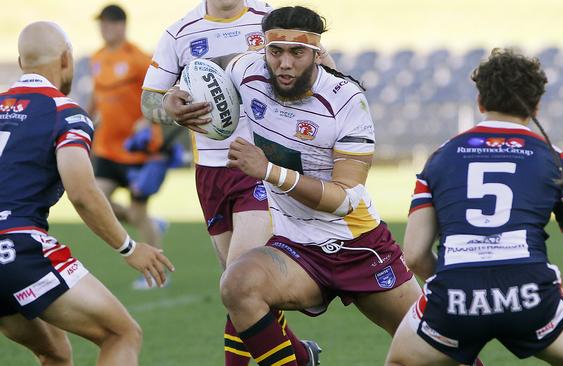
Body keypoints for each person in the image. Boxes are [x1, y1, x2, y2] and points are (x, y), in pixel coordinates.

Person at [163, 6, 426, 366]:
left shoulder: (347, 100)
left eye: (297, 53)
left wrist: (268, 171)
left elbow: (345, 199)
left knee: (433, 346)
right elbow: (208, 76)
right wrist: (174, 97)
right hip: (294, 245)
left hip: (358, 244)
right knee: (237, 285)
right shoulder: (248, 69)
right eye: (276, 52)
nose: (284, 63)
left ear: (316, 54)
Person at [385, 49, 563, 366]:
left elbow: (414, 254)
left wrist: (465, 285)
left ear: (480, 101)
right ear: (536, 106)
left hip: (456, 298)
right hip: (530, 295)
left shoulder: (441, 156)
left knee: (400, 361)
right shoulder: (556, 160)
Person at [141, 1, 328, 364]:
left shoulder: (270, 21)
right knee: (244, 289)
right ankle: (301, 355)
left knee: (240, 278)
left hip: (258, 164)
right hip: (210, 172)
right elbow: (149, 100)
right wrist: (170, 108)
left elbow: (320, 68)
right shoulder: (180, 31)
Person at [0, 21, 174, 366]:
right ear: (67, 59)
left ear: (21, 63)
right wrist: (129, 247)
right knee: (121, 334)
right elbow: (81, 191)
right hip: (16, 247)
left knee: (56, 352)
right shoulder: (65, 112)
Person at [90, 4, 168, 290]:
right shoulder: (97, 58)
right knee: (95, 199)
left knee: (137, 212)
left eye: (110, 24)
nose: (105, 29)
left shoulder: (137, 58)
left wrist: (147, 121)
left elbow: (159, 92)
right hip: (107, 148)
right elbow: (97, 98)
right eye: (102, 24)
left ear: (122, 26)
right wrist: (86, 119)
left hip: (137, 150)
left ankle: (158, 274)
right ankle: (150, 223)